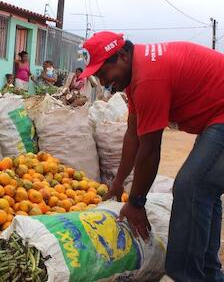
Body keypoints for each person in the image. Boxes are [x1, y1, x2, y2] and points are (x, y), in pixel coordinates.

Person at [79, 31, 224, 282]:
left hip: (220, 116)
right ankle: (209, 274)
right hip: (215, 118)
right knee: (204, 188)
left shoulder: (148, 78)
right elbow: (133, 135)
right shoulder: (137, 73)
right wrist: (117, 183)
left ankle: (187, 276)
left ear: (122, 56)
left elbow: (150, 148)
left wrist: (136, 202)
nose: (103, 83)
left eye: (103, 73)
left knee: (192, 186)